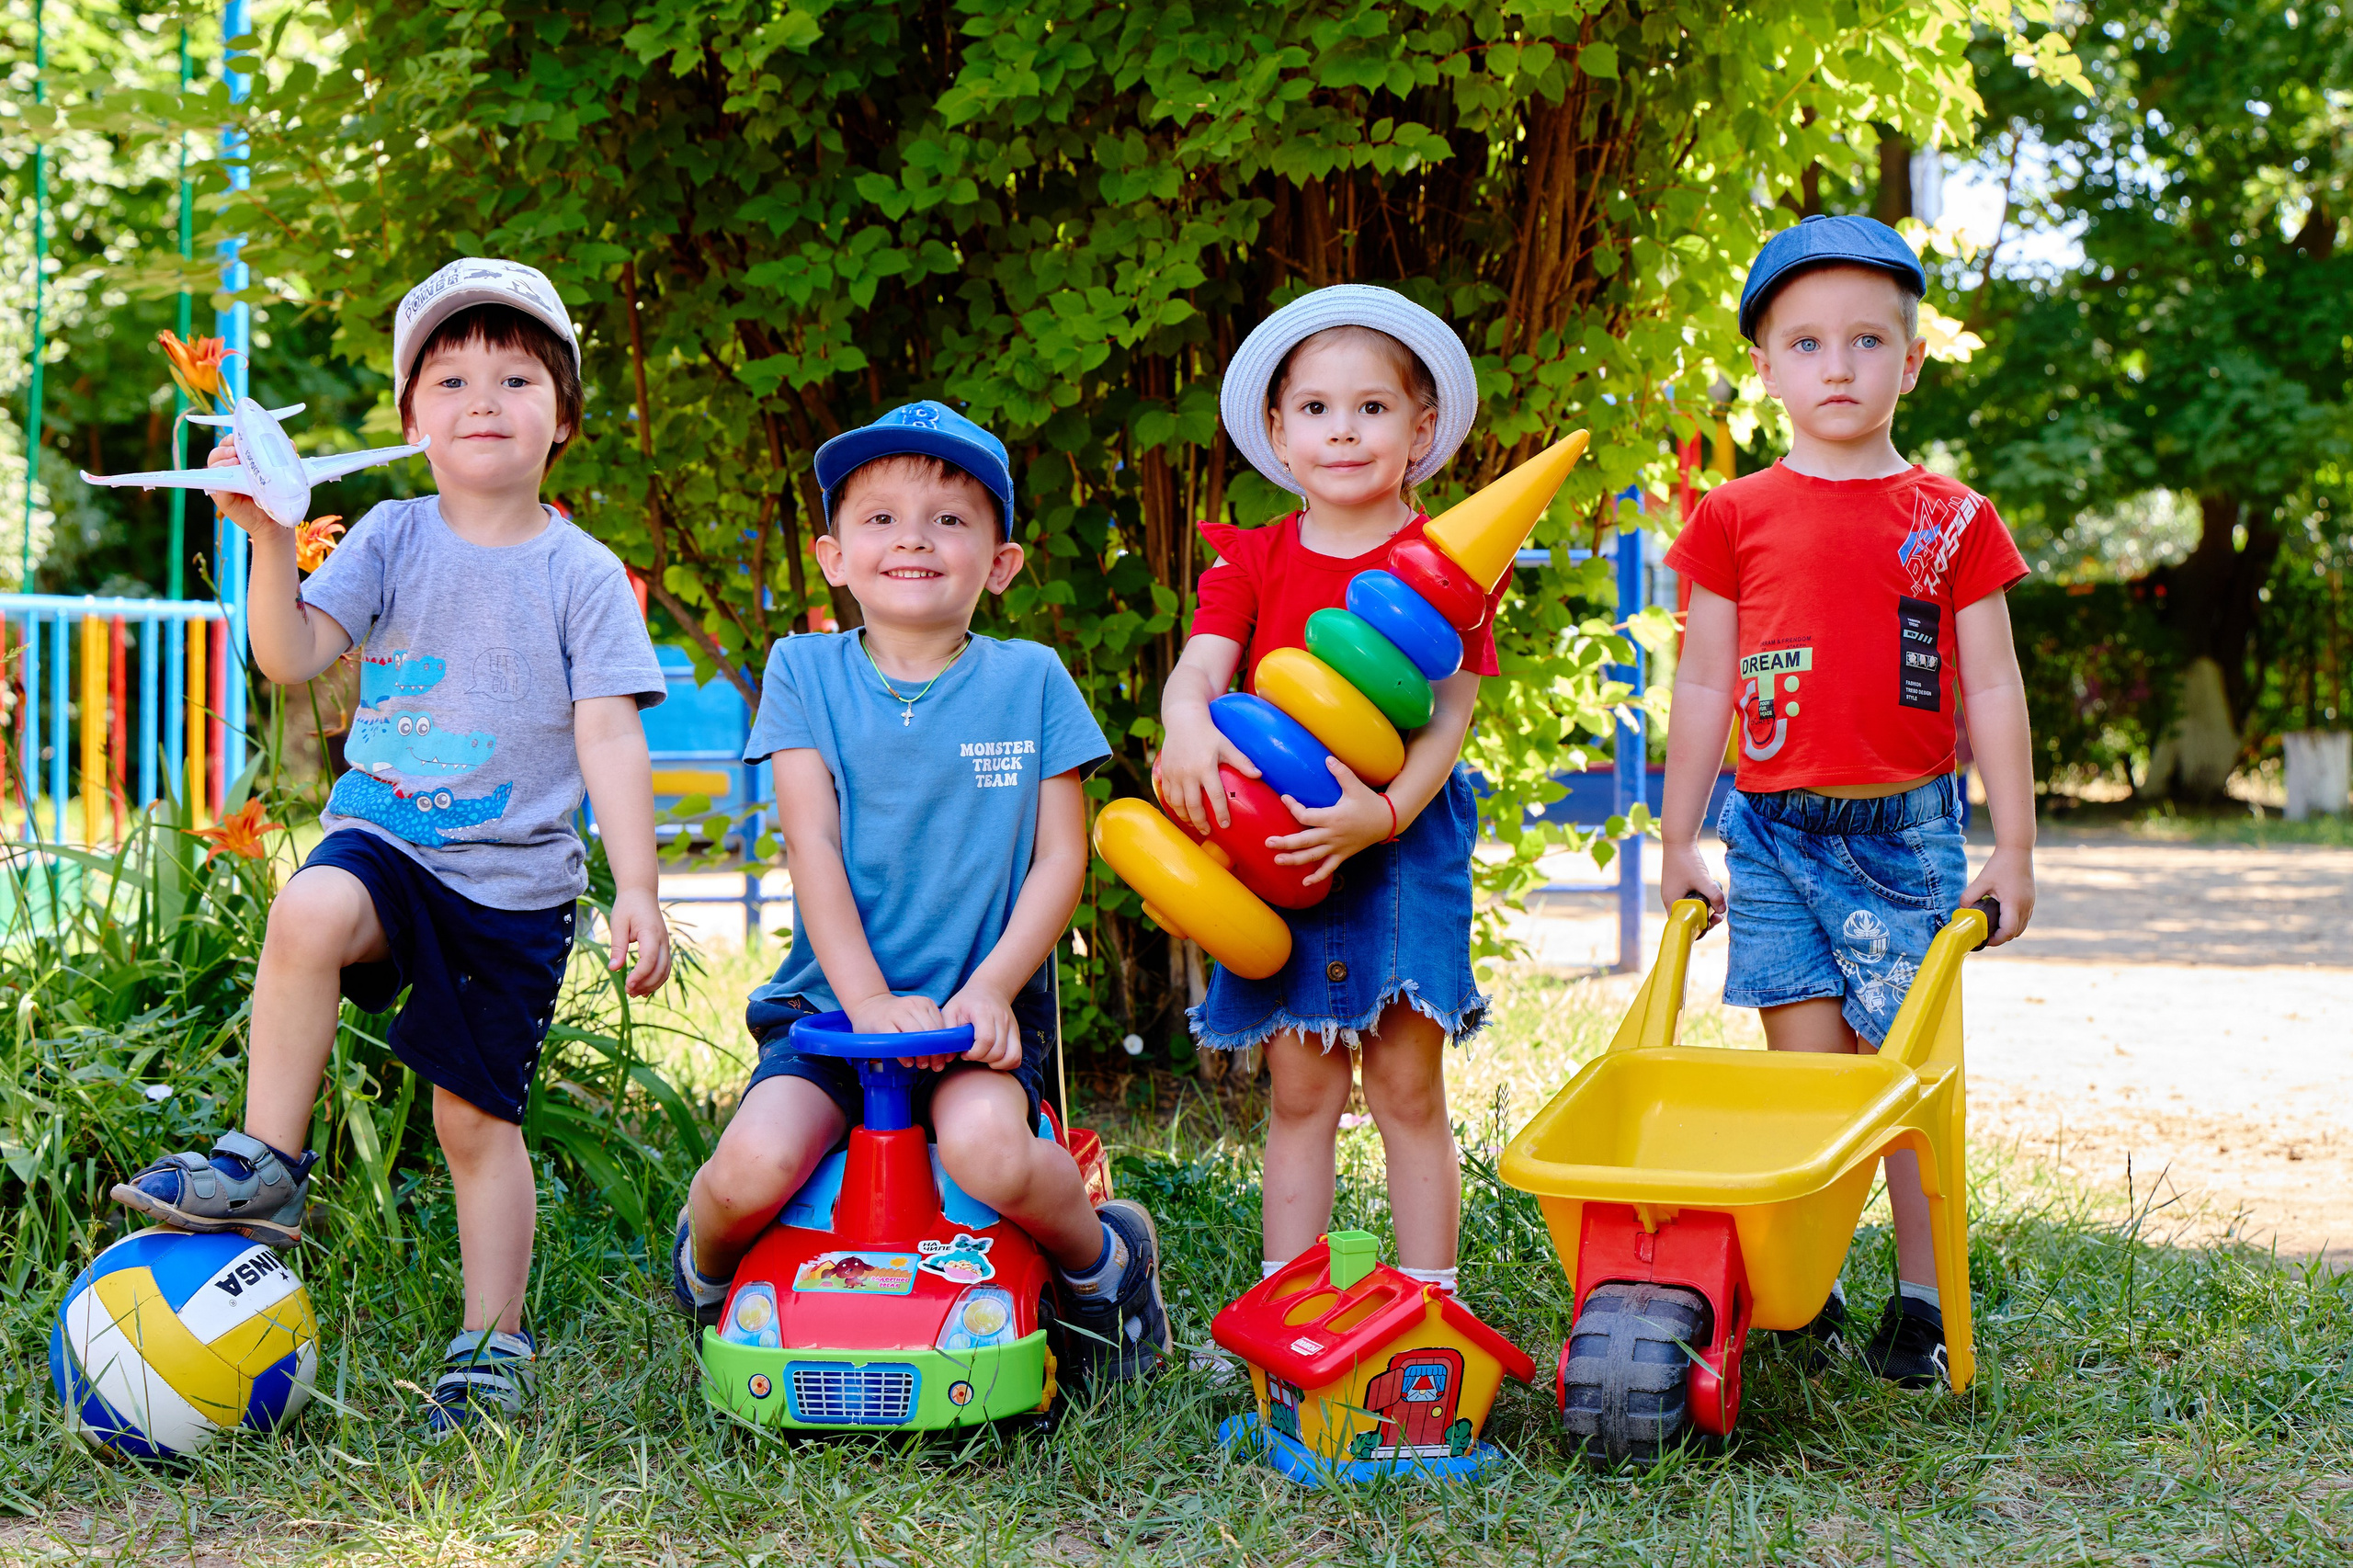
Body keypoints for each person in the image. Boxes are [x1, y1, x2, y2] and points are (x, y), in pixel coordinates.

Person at [112, 257, 675, 1432]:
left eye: (517, 377)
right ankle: (270, 1159)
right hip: (387, 836)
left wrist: (641, 889)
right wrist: (270, 540)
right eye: (453, 376)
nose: (484, 397)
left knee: (474, 1120)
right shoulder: (389, 531)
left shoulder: (582, 575)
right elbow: (291, 653)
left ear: (560, 418)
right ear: (412, 417)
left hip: (513, 887)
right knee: (309, 908)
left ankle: (491, 1336)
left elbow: (611, 734)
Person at [672, 402, 1170, 1386]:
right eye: (882, 518)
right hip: (829, 1011)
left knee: (989, 1147)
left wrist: (990, 989)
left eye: (948, 519)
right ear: (833, 556)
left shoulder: (1029, 679)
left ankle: (1104, 1264)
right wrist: (863, 1002)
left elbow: (1059, 859)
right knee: (747, 1172)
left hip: (973, 1012)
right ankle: (703, 1273)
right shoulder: (804, 668)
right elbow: (808, 839)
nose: (912, 536)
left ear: (1000, 562)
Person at [1659, 214, 2038, 1388]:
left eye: (1867, 341)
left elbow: (1990, 683)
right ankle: (1807, 1291)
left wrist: (2013, 847)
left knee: (1904, 1086)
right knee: (1808, 1080)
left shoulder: (1951, 519)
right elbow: (1708, 680)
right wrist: (1680, 835)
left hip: (1905, 835)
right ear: (1765, 367)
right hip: (1768, 834)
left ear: (1910, 362)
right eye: (1807, 342)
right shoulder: (1731, 517)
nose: (1837, 366)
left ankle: (1919, 1302)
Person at [1157, 286, 1498, 1298]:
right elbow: (1201, 667)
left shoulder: (1451, 564)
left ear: (1420, 427)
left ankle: (1428, 1300)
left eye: (1371, 408)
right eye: (1313, 408)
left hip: (1398, 845)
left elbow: (1447, 718)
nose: (1341, 430)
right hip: (1277, 852)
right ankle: (1286, 1302)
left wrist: (1382, 814)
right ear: (1277, 429)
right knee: (1300, 1089)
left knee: (1405, 1082)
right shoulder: (1256, 556)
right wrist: (1184, 723)